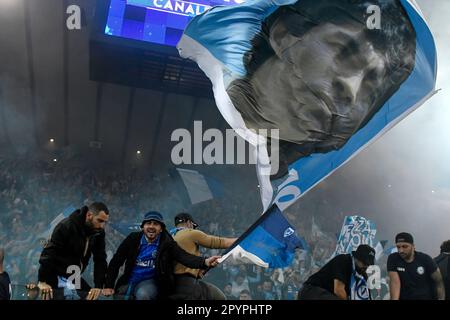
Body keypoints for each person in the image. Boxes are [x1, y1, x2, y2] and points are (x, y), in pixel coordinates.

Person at [226, 0, 416, 178]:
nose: (351, 89)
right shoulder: (205, 98)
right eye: (343, 52)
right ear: (283, 33)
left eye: (370, 84)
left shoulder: (270, 176)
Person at [103, 211, 220, 300]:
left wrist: (205, 262)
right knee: (119, 296)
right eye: (148, 223)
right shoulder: (133, 238)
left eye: (156, 224)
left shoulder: (167, 242)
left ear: (161, 229)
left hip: (151, 281)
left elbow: (184, 257)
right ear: (143, 226)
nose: (152, 226)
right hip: (130, 279)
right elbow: (116, 261)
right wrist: (108, 285)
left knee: (143, 295)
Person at [35, 202, 109, 300]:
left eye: (104, 222)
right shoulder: (66, 226)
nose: (102, 226)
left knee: (93, 297)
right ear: (89, 215)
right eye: (99, 220)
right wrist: (42, 281)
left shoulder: (98, 232)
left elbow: (100, 259)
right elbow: (49, 254)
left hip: (74, 276)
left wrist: (98, 286)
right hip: (55, 275)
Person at [170, 212, 237, 300]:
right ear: (189, 223)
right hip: (187, 284)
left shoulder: (170, 237)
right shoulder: (190, 232)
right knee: (220, 297)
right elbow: (220, 242)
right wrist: (242, 240)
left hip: (170, 285)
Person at [298, 244, 375, 300]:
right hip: (312, 291)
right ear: (357, 258)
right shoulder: (343, 260)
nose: (366, 266)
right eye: (364, 263)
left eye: (368, 264)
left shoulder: (363, 277)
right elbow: (338, 290)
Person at [387, 232, 445, 300]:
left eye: (405, 246)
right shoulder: (393, 259)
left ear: (413, 246)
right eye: (398, 247)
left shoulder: (425, 259)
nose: (401, 250)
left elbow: (439, 282)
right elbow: (395, 283)